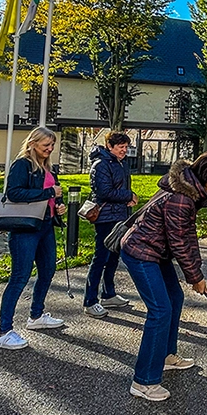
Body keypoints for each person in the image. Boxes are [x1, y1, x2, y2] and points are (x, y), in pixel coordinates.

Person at [120, 151, 207, 401]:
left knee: (174, 299)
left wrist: (196, 273)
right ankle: (144, 381)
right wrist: (195, 277)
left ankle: (166, 356)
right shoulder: (182, 198)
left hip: (155, 251)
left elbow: (187, 237)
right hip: (141, 253)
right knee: (160, 311)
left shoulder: (185, 188)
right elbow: (180, 242)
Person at [0, 127, 68, 350]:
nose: (50, 149)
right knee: (19, 277)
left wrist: (58, 206)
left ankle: (36, 316)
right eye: (46, 145)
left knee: (47, 271)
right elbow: (14, 193)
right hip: (25, 228)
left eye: (52, 145)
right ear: (33, 143)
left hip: (45, 226)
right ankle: (4, 332)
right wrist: (49, 194)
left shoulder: (47, 167)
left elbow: (51, 195)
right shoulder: (22, 165)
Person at [83, 131, 138, 318]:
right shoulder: (101, 165)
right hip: (106, 217)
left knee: (113, 258)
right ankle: (90, 301)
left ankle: (108, 294)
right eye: (121, 147)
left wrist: (127, 199)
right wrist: (128, 196)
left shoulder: (120, 163)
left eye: (126, 147)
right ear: (110, 146)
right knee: (100, 258)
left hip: (118, 215)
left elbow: (120, 188)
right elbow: (104, 191)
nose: (124, 150)